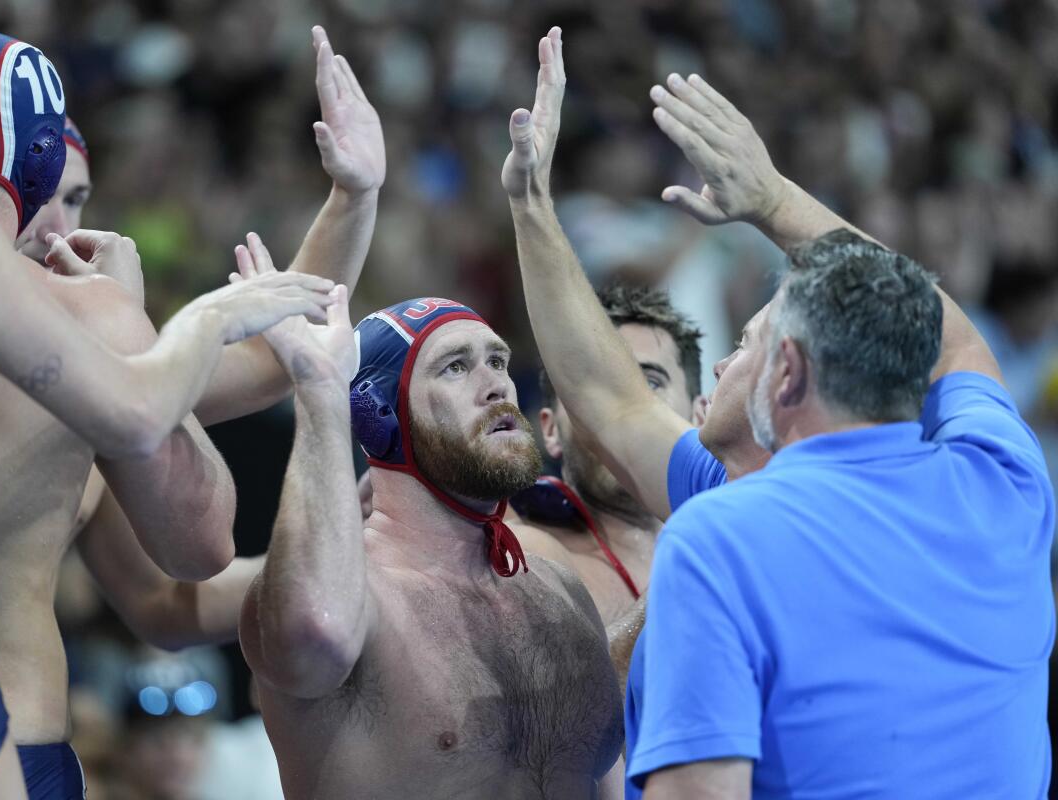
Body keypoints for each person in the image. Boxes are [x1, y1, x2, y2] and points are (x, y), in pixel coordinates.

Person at [505, 30, 1054, 798]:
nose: (728, 363)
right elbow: (610, 394)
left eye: (750, 341)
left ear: (788, 376)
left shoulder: (722, 537)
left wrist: (768, 197)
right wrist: (535, 209)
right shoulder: (1007, 484)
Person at [0, 25, 383, 799]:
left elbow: (262, 363)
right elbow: (197, 533)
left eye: (81, 202)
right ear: (25, 178)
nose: (61, 231)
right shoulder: (86, 328)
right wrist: (142, 318)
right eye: (57, 197)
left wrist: (352, 198)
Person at [234, 234, 623, 798]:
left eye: (497, 360)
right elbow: (305, 638)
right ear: (377, 416)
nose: (497, 387)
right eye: (455, 367)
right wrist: (321, 390)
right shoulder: (354, 602)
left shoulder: (557, 588)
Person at [509, 282, 704, 626]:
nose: (619, 412)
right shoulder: (525, 558)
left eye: (651, 383)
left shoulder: (744, 532)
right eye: (591, 388)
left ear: (699, 417)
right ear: (550, 428)